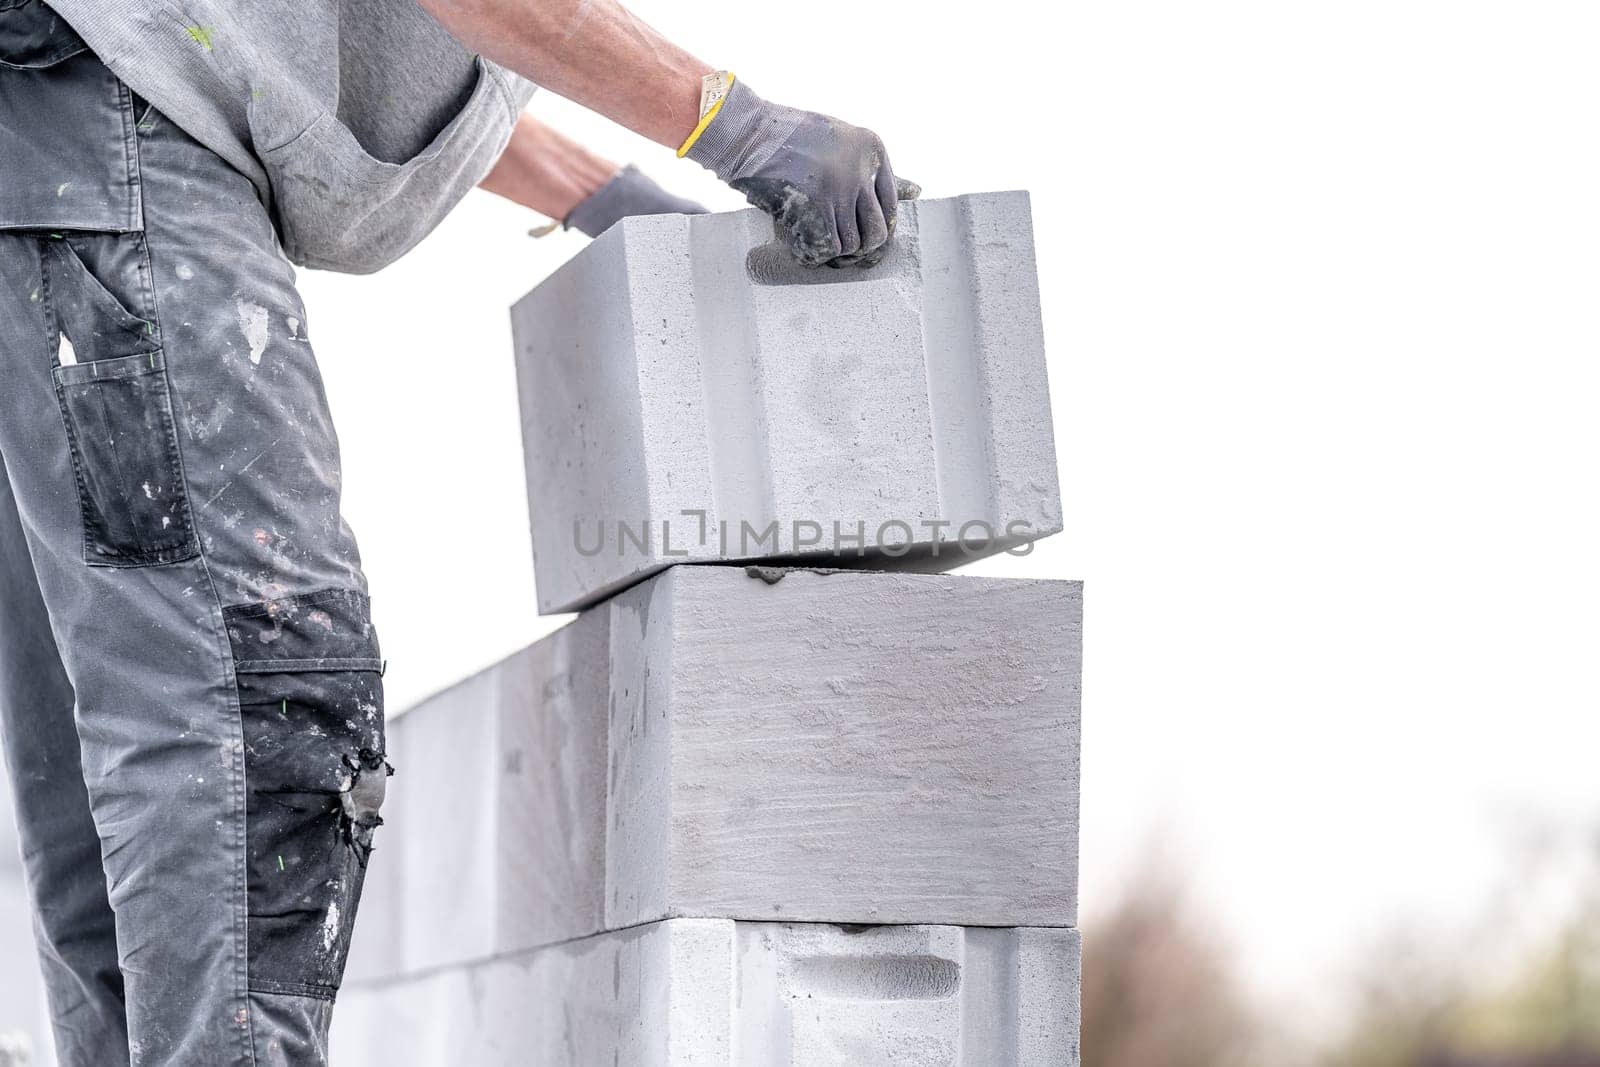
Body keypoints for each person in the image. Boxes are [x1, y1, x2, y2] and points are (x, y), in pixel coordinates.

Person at [0, 0, 916, 1063]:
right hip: (115, 103)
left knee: (121, 734)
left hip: (58, 128)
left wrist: (595, 193)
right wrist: (730, 122)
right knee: (256, 710)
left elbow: (340, 40)